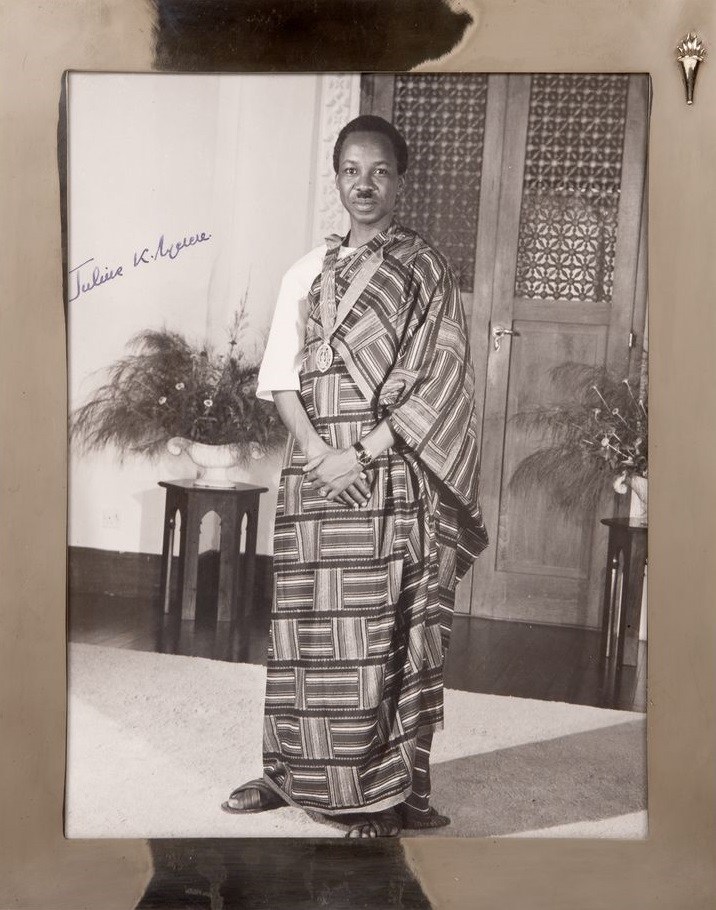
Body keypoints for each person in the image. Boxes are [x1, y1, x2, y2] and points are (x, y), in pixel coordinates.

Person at [222, 114, 488, 838]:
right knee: (305, 629)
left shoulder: (425, 270)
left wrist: (361, 451)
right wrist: (315, 451)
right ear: (336, 178)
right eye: (350, 170)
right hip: (315, 478)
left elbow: (442, 381)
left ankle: (375, 791)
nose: (363, 185)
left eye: (379, 171)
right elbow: (281, 379)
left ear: (401, 181)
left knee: (377, 630)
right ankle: (288, 773)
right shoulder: (305, 271)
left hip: (387, 474)